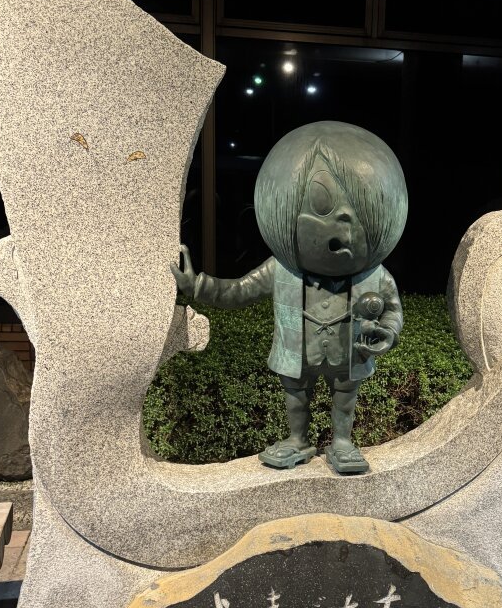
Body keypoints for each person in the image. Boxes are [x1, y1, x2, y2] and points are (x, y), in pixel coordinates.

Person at [172, 120, 407, 474]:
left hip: (347, 353)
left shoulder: (375, 275)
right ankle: (298, 440)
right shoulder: (282, 269)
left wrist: (386, 333)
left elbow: (392, 312)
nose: (344, 224)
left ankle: (342, 443)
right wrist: (199, 286)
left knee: (345, 398)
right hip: (298, 352)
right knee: (295, 396)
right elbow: (240, 291)